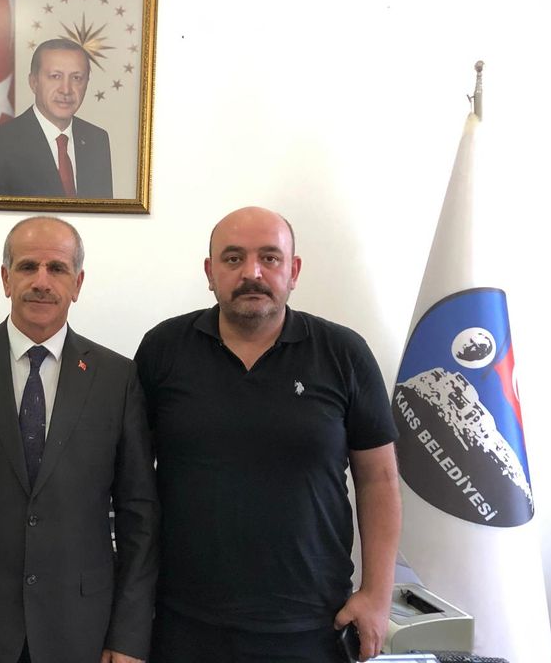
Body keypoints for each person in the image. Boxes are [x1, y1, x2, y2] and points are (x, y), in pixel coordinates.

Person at [133, 206, 401, 662]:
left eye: (270, 258)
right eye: (233, 258)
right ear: (210, 272)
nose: (251, 273)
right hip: (183, 622)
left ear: (293, 271)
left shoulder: (344, 353)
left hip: (312, 624)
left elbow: (380, 479)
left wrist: (376, 594)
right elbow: (134, 482)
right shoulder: (164, 349)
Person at [0, 216, 158, 663]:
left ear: (77, 284)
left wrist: (130, 633)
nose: (41, 281)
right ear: (6, 278)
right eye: (27, 267)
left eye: (57, 269)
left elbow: (139, 514)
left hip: (80, 623)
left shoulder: (116, 378)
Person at [0, 39, 113, 199]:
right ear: (34, 82)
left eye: (76, 78)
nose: (66, 90)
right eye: (55, 76)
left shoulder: (97, 140)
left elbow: (102, 211)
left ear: (87, 83)